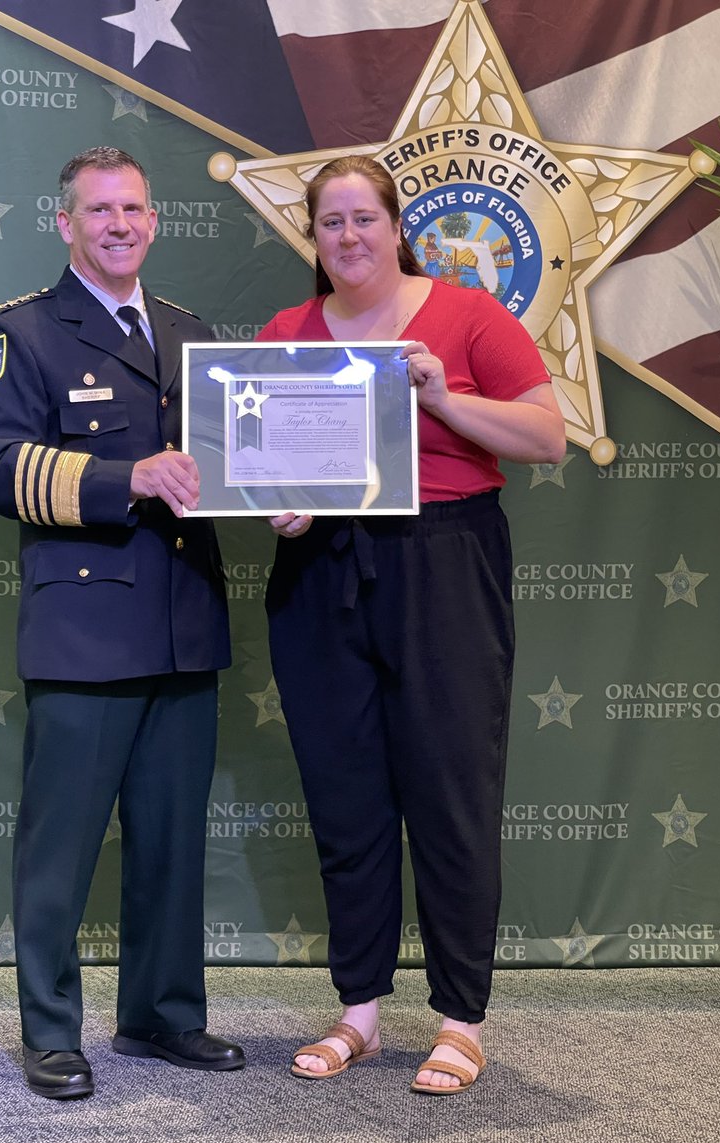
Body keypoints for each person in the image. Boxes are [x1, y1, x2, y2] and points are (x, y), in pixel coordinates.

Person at [257, 155, 565, 1095]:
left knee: (450, 789)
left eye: (365, 219)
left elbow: (549, 437)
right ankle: (358, 1013)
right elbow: (266, 463)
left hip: (446, 561)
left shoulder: (470, 319)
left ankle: (460, 1020)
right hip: (321, 571)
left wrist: (440, 399)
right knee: (345, 795)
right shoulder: (288, 333)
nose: (350, 237)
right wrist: (285, 503)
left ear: (398, 227)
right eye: (331, 223)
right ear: (315, 238)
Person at [0, 146, 244, 1100]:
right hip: (84, 628)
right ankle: (50, 1031)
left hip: (182, 623)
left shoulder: (188, 331)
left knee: (172, 840)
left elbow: (222, 466)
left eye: (134, 207)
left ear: (154, 220)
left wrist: (275, 497)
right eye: (100, 210)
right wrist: (129, 480)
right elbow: (0, 472)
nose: (119, 223)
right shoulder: (24, 332)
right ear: (67, 225)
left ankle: (163, 1016)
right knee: (62, 846)